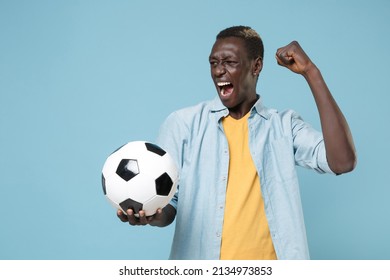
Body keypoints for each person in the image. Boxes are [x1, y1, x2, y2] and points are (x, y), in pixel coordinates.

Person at [117, 26, 356, 260]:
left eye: (230, 62)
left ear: (256, 66)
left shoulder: (283, 126)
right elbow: (170, 205)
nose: (219, 71)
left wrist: (311, 72)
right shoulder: (183, 124)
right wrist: (150, 214)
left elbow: (342, 162)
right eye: (213, 63)